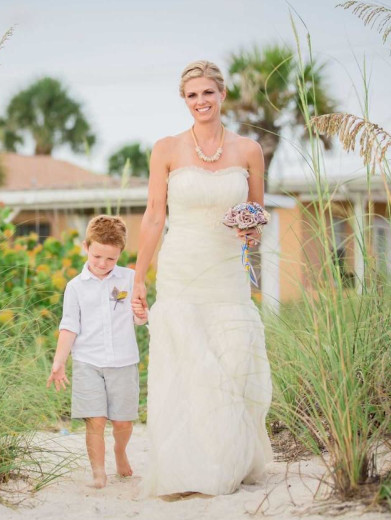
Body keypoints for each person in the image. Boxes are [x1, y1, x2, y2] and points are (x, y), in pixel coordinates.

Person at [131, 60, 273, 497]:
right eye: (192, 95)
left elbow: (257, 213)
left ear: (222, 95)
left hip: (228, 270)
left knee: (232, 362)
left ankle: (228, 459)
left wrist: (251, 229)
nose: (200, 102)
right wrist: (139, 278)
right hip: (181, 268)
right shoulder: (167, 149)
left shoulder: (248, 150)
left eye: (207, 93)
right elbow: (155, 216)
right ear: (184, 100)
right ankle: (185, 468)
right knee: (186, 363)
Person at [47, 215, 148, 489]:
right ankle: (99, 472)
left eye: (110, 259)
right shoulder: (75, 287)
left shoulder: (130, 279)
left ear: (120, 255)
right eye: (97, 256)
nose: (103, 264)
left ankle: (120, 450)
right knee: (95, 420)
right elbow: (69, 326)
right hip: (87, 362)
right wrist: (59, 362)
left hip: (124, 362)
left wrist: (141, 313)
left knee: (123, 422)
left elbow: (140, 318)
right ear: (86, 247)